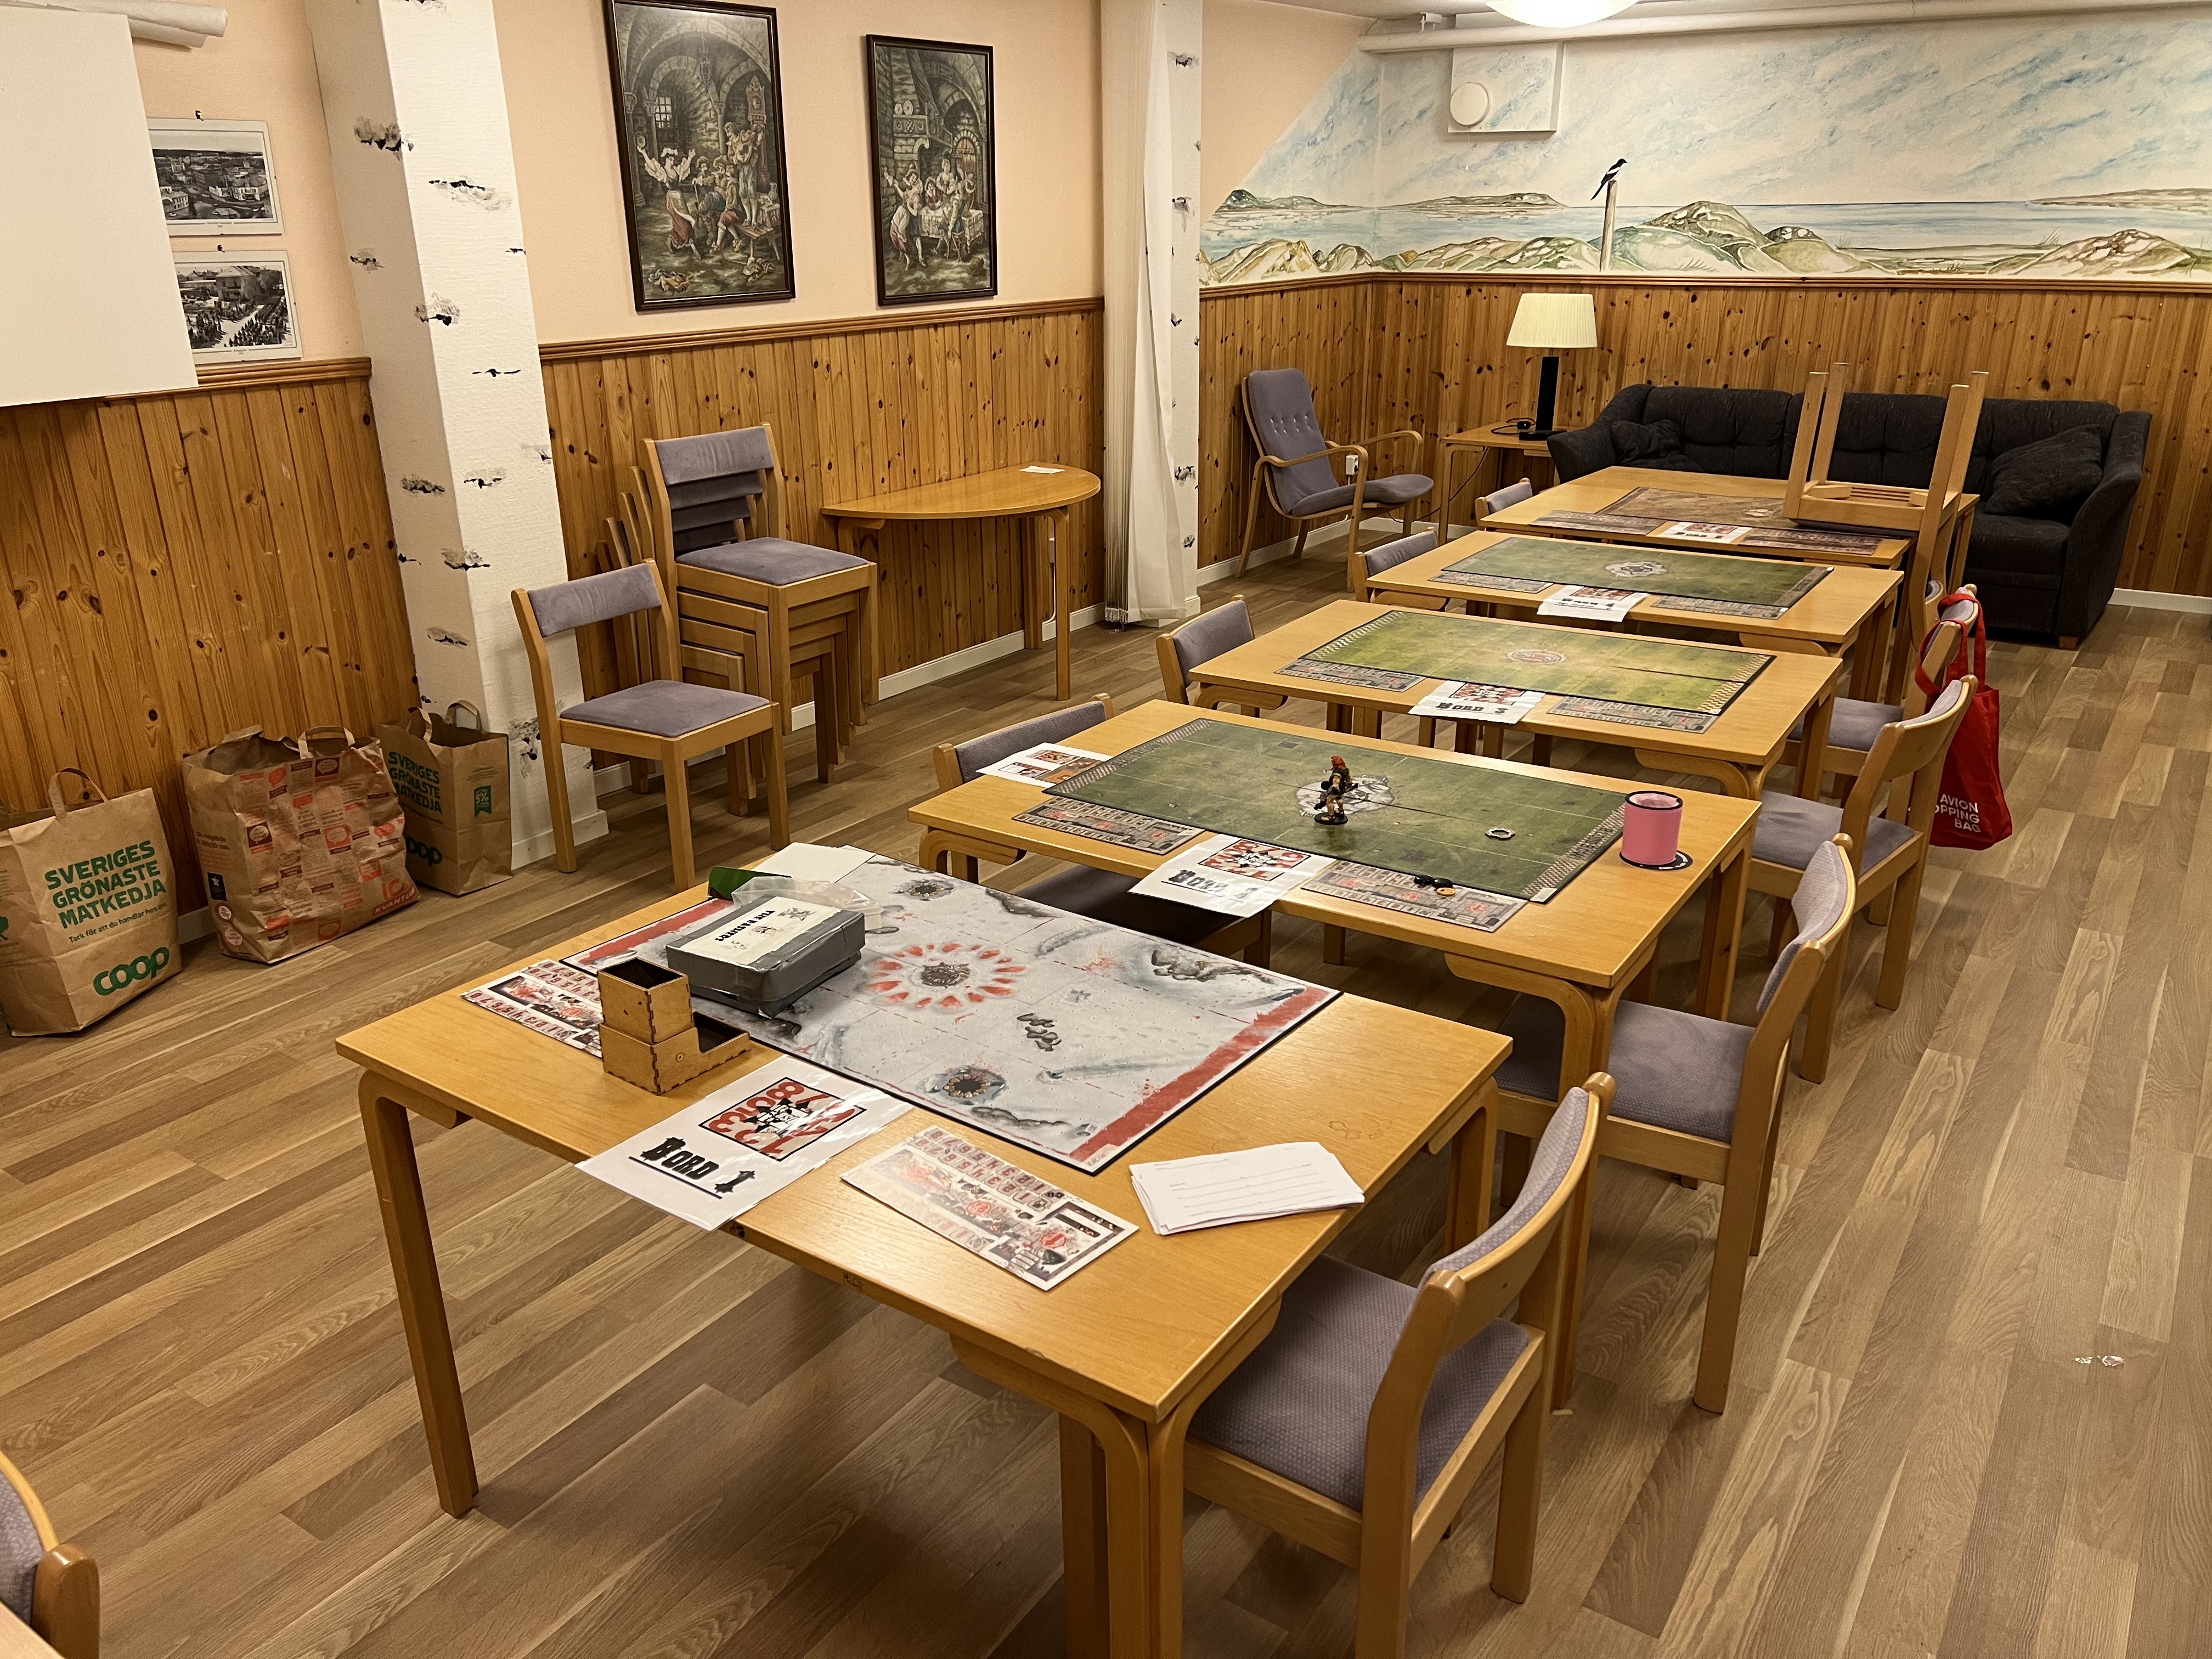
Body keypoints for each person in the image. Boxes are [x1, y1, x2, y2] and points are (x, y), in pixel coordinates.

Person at [636, 144, 697, 256]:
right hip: (672, 199)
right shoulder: (663, 172)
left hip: (680, 197)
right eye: (670, 159)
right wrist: (644, 153)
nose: (673, 161)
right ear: (666, 159)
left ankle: (671, 240)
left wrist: (690, 158)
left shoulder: (676, 170)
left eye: (673, 159)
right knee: (680, 221)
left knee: (683, 221)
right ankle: (690, 244)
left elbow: (684, 168)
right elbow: (652, 167)